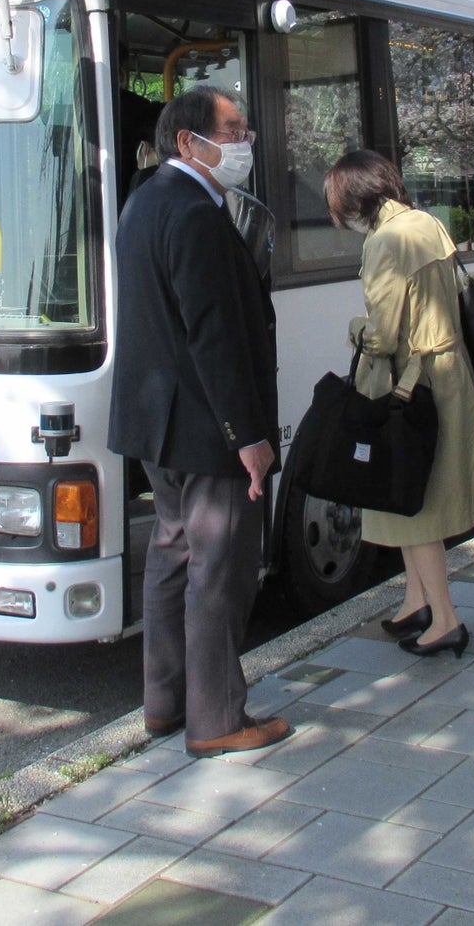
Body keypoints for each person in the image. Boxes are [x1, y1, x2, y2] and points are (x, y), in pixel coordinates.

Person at [107, 84, 289, 757]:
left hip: (159, 422)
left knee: (173, 556)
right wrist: (249, 436)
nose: (245, 142)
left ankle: (165, 703)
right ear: (189, 140)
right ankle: (216, 720)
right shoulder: (195, 212)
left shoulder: (145, 201)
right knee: (220, 568)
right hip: (209, 426)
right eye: (234, 129)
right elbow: (214, 335)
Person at [325, 150, 474, 658]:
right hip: (448, 373)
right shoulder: (426, 222)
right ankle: (416, 601)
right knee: (407, 497)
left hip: (411, 384)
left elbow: (382, 335)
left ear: (352, 199)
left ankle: (444, 619)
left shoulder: (384, 242)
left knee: (411, 503)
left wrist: (354, 330)